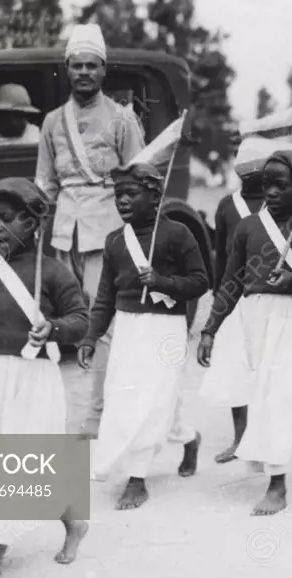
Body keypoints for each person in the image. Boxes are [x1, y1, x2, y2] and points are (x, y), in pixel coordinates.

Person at [197, 150, 292, 516]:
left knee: (275, 400)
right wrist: (210, 328)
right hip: (255, 323)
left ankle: (277, 486)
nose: (272, 192)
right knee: (273, 397)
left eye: (282, 185)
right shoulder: (248, 228)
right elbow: (231, 281)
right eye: (267, 185)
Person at [0, 178, 89, 575]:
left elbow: (80, 320)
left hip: (30, 380)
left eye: (6, 219)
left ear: (33, 224)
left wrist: (55, 328)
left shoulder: (51, 272)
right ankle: (71, 517)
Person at [35, 23, 147, 438]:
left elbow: (140, 178)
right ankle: (83, 411)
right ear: (68, 69)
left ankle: (103, 415)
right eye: (76, 65)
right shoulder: (51, 122)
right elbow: (45, 182)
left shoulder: (122, 119)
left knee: (107, 325)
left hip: (108, 230)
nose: (83, 72)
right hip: (66, 231)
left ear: (104, 70)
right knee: (73, 323)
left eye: (91, 65)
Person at [79, 162, 209, 510]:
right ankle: (188, 437)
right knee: (128, 398)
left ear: (155, 196)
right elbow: (105, 297)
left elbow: (200, 281)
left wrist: (164, 283)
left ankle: (137, 479)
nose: (122, 201)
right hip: (128, 329)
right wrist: (91, 338)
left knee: (154, 399)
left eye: (131, 194)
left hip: (165, 329)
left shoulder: (177, 234)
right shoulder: (114, 242)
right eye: (118, 195)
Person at [199, 159, 267, 464]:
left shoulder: (278, 202)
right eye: (245, 168)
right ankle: (241, 437)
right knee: (236, 370)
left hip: (269, 297)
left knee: (268, 371)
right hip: (234, 298)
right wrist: (218, 299)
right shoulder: (228, 206)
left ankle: (269, 439)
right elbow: (220, 256)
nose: (250, 174)